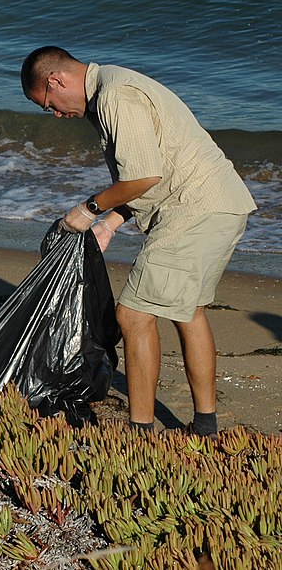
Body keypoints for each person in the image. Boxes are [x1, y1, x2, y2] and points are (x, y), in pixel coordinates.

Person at [20, 46, 256, 437]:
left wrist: (89, 209)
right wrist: (111, 223)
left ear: (56, 81)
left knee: (132, 315)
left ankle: (140, 430)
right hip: (221, 203)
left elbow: (143, 177)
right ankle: (205, 425)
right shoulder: (112, 86)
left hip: (194, 209)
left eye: (49, 105)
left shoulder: (115, 95)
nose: (57, 115)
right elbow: (154, 170)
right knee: (188, 311)